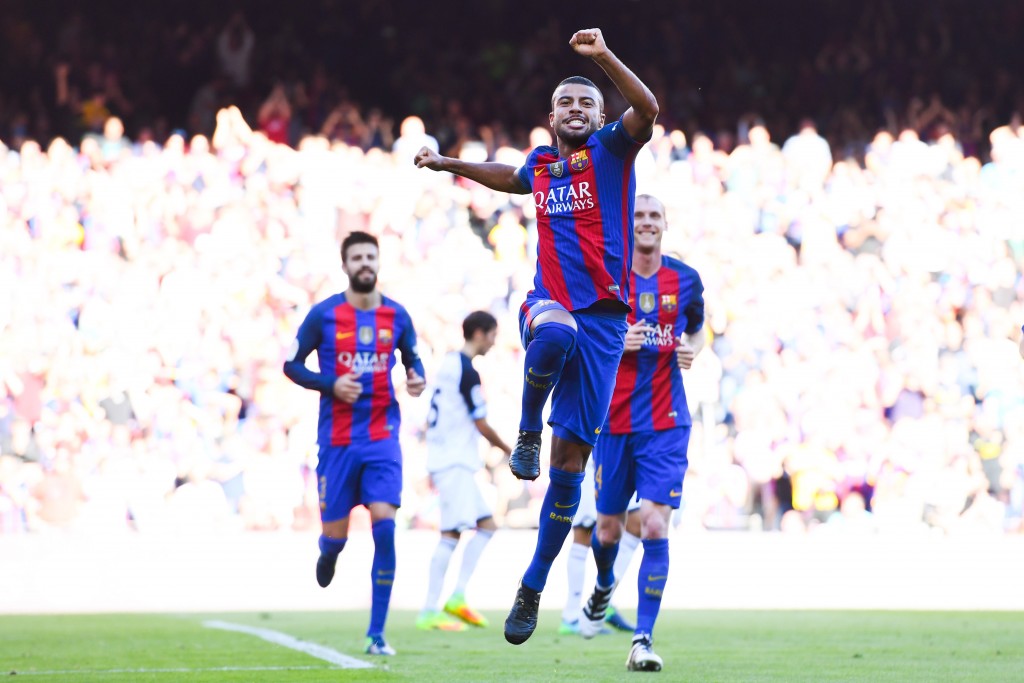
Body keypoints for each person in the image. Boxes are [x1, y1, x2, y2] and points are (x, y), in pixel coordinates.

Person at [415, 27, 658, 645]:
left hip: (607, 322)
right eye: (565, 103)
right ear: (550, 119)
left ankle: (533, 583)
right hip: (549, 304)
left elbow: (649, 108)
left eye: (586, 103)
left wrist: (603, 57)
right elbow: (507, 176)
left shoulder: (612, 149)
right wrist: (448, 164)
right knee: (553, 332)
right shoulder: (543, 166)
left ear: (600, 116)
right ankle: (527, 428)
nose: (576, 109)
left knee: (569, 468)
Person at [282, 230, 426, 656]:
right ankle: (329, 552)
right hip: (337, 441)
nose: (365, 264)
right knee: (336, 537)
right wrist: (331, 384)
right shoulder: (323, 315)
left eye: (370, 257)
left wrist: (416, 377)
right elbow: (291, 365)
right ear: (344, 265)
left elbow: (413, 359)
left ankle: (377, 634)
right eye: (357, 258)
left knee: (386, 527)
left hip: (382, 437)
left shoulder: (397, 315)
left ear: (378, 263)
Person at [577, 194, 705, 672]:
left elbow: (697, 329)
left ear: (665, 224)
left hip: (666, 421)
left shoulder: (686, 279)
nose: (647, 222)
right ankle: (603, 584)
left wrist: (692, 348)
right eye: (639, 215)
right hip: (613, 421)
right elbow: (581, 336)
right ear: (627, 224)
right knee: (607, 530)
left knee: (654, 524)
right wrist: (616, 341)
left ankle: (642, 640)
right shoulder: (606, 278)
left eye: (654, 215)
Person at [417, 311, 513, 631]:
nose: (494, 342)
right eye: (492, 335)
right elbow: (480, 422)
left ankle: (457, 597)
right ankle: (429, 610)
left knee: (487, 525)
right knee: (451, 532)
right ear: (479, 333)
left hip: (448, 457)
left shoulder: (448, 364)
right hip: (453, 461)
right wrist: (510, 450)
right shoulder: (467, 371)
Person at [559, 457, 641, 636]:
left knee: (636, 525)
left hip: (622, 461)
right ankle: (571, 616)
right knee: (585, 534)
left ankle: (604, 601)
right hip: (592, 463)